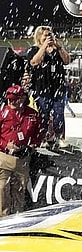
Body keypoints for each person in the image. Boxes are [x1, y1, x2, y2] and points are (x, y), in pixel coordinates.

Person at [0, 85, 43, 216]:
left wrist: (30, 147)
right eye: (9, 99)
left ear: (22, 99)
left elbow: (38, 136)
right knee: (2, 191)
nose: (11, 102)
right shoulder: (2, 112)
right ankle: (3, 220)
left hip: (22, 159)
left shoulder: (32, 115)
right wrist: (5, 144)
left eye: (14, 99)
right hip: (4, 157)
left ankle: (17, 219)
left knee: (19, 191)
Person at [26, 26, 70, 150]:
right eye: (45, 35)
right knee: (43, 115)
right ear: (39, 37)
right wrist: (44, 47)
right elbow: (34, 62)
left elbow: (67, 61)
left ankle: (60, 137)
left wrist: (59, 47)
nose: (48, 37)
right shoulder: (33, 49)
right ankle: (43, 138)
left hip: (58, 88)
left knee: (59, 114)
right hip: (42, 88)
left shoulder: (57, 50)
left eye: (49, 35)